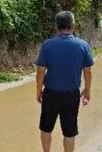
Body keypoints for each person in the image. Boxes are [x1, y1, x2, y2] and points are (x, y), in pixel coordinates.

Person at [36, 11, 93, 152]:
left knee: (46, 128)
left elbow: (40, 71)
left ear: (57, 26)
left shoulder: (48, 45)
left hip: (50, 94)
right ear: (73, 25)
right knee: (69, 132)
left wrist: (38, 91)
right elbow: (88, 72)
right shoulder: (83, 45)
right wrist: (87, 90)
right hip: (72, 95)